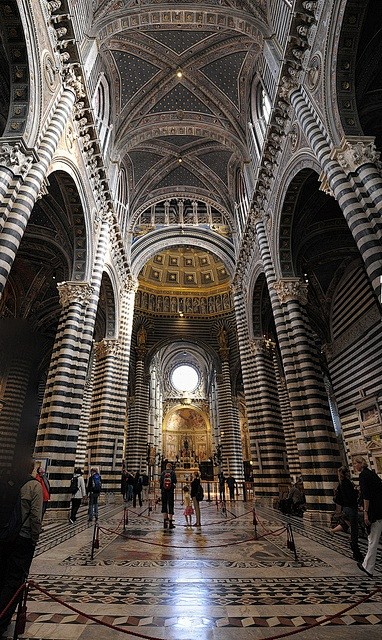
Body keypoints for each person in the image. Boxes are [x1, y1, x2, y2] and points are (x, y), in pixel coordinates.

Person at [0, 460, 43, 637]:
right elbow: (36, 517)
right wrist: (34, 538)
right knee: (14, 580)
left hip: (4, 537)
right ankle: (2, 619)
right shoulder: (34, 486)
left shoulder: (6, 482)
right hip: (23, 539)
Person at [354, 455, 382, 577]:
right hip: (379, 510)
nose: (354, 466)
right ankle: (367, 565)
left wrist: (365, 512)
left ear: (360, 463)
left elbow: (366, 495)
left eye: (355, 464)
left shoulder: (364, 475)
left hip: (375, 512)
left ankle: (368, 567)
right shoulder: (371, 474)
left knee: (373, 539)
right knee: (373, 539)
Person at [329, 466, 363, 562]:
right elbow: (351, 497)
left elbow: (337, 499)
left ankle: (333, 531)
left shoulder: (341, 484)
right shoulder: (347, 483)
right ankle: (357, 553)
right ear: (347, 473)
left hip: (345, 509)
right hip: (351, 508)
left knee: (346, 524)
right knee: (354, 530)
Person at [160, 463, 177, 529]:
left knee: (164, 505)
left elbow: (161, 482)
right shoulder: (172, 472)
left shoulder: (163, 473)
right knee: (170, 505)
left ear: (166, 467)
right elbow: (175, 481)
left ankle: (165, 523)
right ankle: (170, 523)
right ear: (171, 467)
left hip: (164, 491)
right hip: (170, 491)